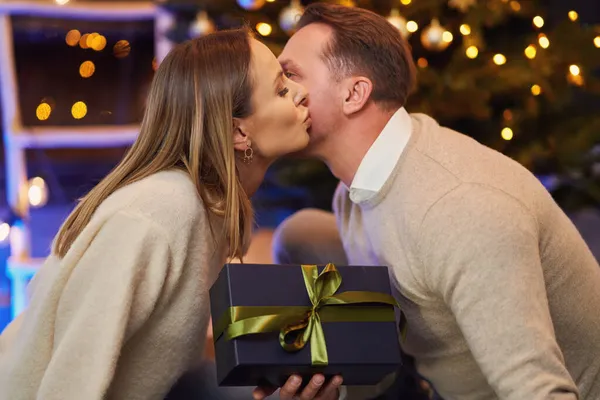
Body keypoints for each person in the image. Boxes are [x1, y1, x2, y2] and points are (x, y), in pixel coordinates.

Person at [260, 3, 600, 400]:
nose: (278, 91)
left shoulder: (461, 210)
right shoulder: (353, 188)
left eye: (290, 76)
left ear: (354, 94)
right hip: (430, 378)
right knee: (299, 233)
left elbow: (542, 392)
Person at [0, 28, 316, 400]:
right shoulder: (159, 212)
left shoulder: (211, 207)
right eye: (281, 90)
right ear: (237, 132)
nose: (301, 93)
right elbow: (72, 374)